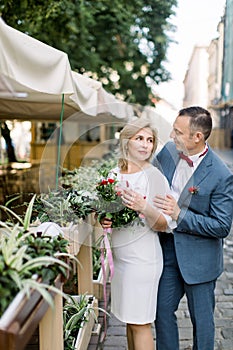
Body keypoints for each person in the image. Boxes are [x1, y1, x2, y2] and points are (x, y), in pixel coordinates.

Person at [152, 106, 233, 350]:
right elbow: (146, 181)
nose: (171, 136)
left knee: (203, 322)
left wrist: (180, 214)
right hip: (167, 252)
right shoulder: (167, 152)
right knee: (162, 311)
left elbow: (221, 226)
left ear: (197, 137)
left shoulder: (221, 174)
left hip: (200, 260)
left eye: (177, 132)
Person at [101, 117, 175, 350]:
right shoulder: (113, 175)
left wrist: (144, 207)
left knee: (141, 322)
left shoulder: (155, 177)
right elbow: (104, 210)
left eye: (150, 140)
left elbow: (164, 223)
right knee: (130, 322)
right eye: (139, 138)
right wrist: (103, 218)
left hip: (143, 259)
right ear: (127, 141)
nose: (145, 145)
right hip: (121, 260)